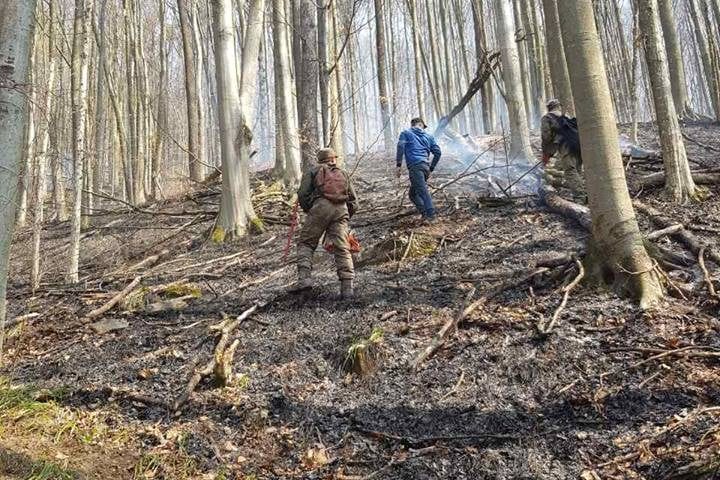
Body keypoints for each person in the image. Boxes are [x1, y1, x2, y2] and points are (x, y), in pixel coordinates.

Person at [289, 148, 359, 299]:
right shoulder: (343, 173)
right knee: (342, 248)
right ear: (333, 158)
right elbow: (354, 201)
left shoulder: (313, 171)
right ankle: (347, 289)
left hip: (320, 208)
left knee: (306, 244)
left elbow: (302, 194)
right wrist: (345, 217)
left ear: (319, 160)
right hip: (341, 210)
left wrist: (311, 209)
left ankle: (305, 281)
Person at [396, 117, 442, 223]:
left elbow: (400, 147)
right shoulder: (429, 137)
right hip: (425, 167)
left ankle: (431, 216)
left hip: (415, 167)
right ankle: (425, 214)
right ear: (421, 125)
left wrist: (398, 165)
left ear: (413, 125)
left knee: (422, 191)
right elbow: (438, 153)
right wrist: (431, 168)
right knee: (413, 194)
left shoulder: (405, 133)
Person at [541, 99, 584, 193]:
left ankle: (580, 197)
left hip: (566, 145)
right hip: (579, 144)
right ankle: (584, 194)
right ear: (559, 107)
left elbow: (546, 137)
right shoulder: (566, 118)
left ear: (549, 108)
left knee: (569, 171)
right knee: (577, 170)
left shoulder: (547, 118)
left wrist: (546, 151)